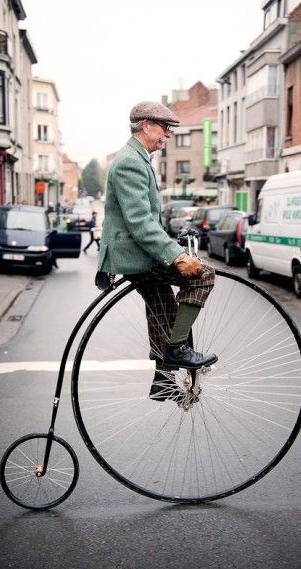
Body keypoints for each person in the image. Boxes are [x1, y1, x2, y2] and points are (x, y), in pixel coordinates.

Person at [97, 101, 218, 403]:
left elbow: (145, 219)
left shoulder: (138, 159)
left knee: (163, 307)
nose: (167, 135)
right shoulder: (130, 162)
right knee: (203, 276)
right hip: (134, 254)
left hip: (139, 252)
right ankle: (178, 349)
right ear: (147, 125)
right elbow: (139, 222)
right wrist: (177, 256)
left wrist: (171, 242)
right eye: (165, 128)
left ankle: (162, 381)